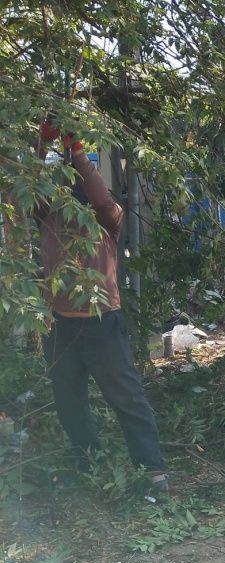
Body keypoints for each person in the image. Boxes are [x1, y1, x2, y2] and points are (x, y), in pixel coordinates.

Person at [34, 121, 168, 490]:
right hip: (60, 324)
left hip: (102, 324)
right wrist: (42, 142)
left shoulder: (107, 219)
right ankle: (88, 465)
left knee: (126, 399)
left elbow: (99, 195)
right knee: (68, 401)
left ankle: (152, 472)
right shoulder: (49, 215)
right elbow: (29, 184)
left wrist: (77, 150)